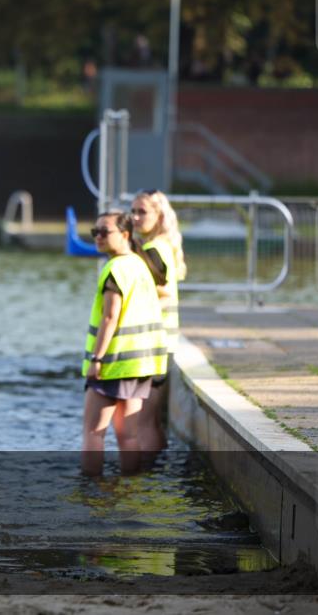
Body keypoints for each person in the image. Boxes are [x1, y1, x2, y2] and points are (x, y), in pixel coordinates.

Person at [81, 211, 167, 477]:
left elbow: (110, 317)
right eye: (94, 232)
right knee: (128, 436)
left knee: (93, 434)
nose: (98, 237)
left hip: (114, 363)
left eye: (104, 232)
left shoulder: (115, 269)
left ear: (125, 235)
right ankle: (130, 490)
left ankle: (90, 494)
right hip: (140, 363)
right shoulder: (140, 266)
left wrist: (97, 359)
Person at [131, 189, 186, 453]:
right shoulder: (165, 245)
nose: (135, 218)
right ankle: (156, 478)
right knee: (151, 421)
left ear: (159, 215)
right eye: (133, 211)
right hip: (164, 342)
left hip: (154, 344)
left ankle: (144, 479)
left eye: (142, 212)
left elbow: (161, 291)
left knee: (143, 423)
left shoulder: (154, 249)